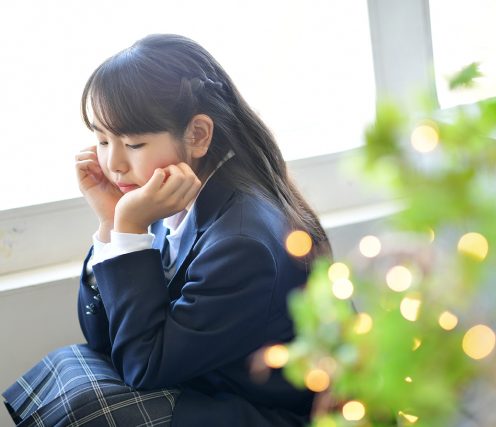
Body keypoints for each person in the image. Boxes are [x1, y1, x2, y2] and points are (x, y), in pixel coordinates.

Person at [3, 33, 331, 426]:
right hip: (201, 384)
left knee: (87, 404)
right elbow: (104, 341)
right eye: (102, 140)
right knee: (73, 367)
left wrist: (129, 230)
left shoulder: (243, 243)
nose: (114, 164)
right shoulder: (165, 195)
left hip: (262, 413)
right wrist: (112, 225)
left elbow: (142, 367)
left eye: (134, 143)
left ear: (197, 135)